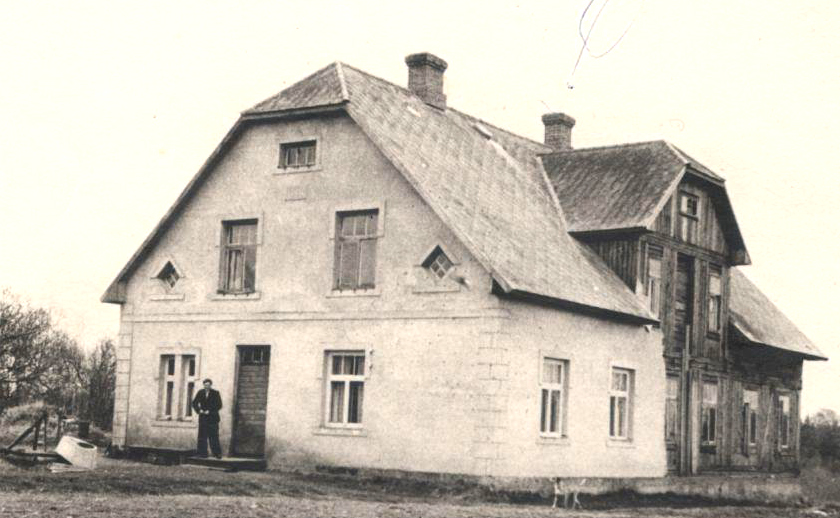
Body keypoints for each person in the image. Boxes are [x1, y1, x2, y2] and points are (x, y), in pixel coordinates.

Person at [191, 378, 223, 459]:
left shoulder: (215, 393)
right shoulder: (200, 392)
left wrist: (210, 411)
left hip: (213, 418)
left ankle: (217, 453)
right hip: (203, 418)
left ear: (210, 385)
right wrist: (199, 410)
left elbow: (219, 405)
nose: (206, 387)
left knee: (214, 436)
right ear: (203, 385)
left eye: (208, 385)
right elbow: (194, 403)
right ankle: (202, 453)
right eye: (205, 385)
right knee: (202, 436)